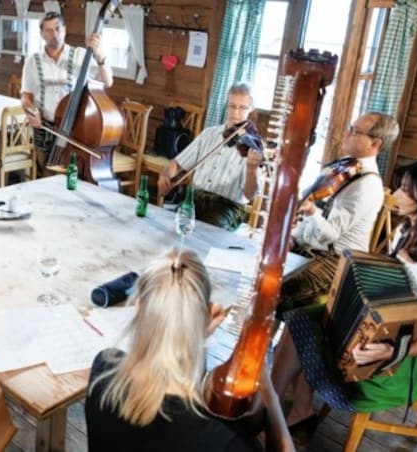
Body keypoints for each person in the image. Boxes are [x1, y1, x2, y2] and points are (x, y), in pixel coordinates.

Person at [272, 158, 417, 444]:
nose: (396, 194)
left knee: (314, 329)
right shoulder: (406, 231)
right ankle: (284, 408)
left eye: (405, 190)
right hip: (385, 333)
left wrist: (393, 352)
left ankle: (277, 411)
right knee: (305, 316)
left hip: (404, 359)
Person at [86, 248, 293, 451]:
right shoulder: (223, 442)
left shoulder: (102, 370)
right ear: (209, 315)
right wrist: (271, 398)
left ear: (139, 307)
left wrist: (197, 335)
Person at [278, 112, 399, 311]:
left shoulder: (367, 184)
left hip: (336, 262)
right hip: (311, 250)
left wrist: (310, 212)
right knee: (260, 268)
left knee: (275, 289)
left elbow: (330, 234)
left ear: (375, 144)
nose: (346, 133)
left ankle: (270, 339)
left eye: (355, 131)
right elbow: (315, 217)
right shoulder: (342, 168)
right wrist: (294, 237)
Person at [157, 82, 264, 231]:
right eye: (232, 106)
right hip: (195, 197)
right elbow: (178, 163)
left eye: (242, 108)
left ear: (251, 108)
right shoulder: (209, 133)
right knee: (174, 228)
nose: (236, 112)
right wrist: (166, 174)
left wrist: (251, 170)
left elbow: (249, 194)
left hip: (227, 206)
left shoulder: (252, 146)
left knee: (206, 233)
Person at [21, 11, 113, 168]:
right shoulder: (32, 61)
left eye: (58, 29)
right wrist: (31, 111)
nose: (54, 34)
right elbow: (25, 96)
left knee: (73, 175)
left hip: (76, 130)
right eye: (49, 30)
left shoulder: (80, 55)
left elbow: (107, 81)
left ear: (65, 30)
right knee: (46, 172)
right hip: (45, 128)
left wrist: (100, 57)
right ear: (42, 33)